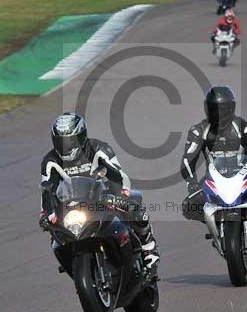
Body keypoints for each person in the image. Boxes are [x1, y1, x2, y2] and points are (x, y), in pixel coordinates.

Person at [39, 112, 159, 272]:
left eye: (69, 141)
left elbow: (118, 175)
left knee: (135, 204)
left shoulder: (99, 148)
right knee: (55, 233)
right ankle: (75, 267)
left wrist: (121, 194)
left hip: (103, 196)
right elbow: (47, 189)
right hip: (72, 203)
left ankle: (148, 248)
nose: (65, 146)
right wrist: (47, 213)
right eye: (60, 141)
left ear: (81, 136)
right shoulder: (50, 160)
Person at [180, 86, 247, 238]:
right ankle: (216, 223)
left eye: (223, 109)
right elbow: (188, 159)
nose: (219, 114)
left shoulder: (243, 127)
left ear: (231, 109)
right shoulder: (198, 131)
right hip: (214, 177)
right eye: (214, 109)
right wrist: (191, 182)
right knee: (189, 206)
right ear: (207, 109)